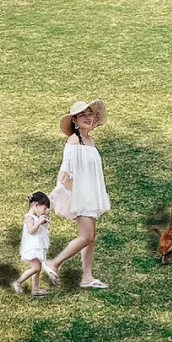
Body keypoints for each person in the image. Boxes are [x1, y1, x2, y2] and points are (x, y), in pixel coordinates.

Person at [45, 99, 110, 290]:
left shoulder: (90, 141)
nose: (88, 118)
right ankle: (54, 263)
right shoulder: (74, 141)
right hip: (80, 195)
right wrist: (58, 189)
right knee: (86, 236)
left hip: (91, 194)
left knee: (91, 236)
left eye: (90, 114)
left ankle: (87, 277)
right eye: (83, 115)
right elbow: (66, 169)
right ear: (74, 120)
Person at [12, 191, 52, 297]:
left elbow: (43, 230)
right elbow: (31, 231)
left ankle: (36, 289)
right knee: (36, 268)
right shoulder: (30, 217)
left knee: (37, 268)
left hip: (37, 246)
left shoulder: (37, 217)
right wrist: (38, 222)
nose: (44, 211)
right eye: (44, 209)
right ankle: (18, 282)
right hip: (32, 247)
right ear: (36, 205)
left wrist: (44, 223)